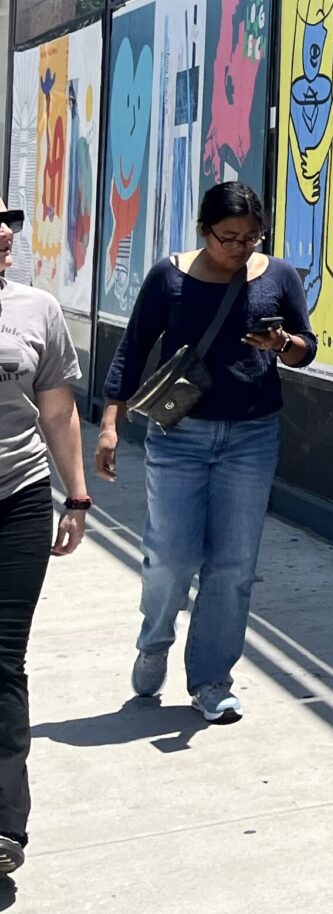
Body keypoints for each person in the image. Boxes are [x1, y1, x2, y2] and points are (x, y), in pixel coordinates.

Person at [97, 182, 316, 725]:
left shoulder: (279, 276)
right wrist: (108, 422)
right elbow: (135, 345)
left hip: (252, 436)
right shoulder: (170, 276)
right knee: (170, 556)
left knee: (234, 565)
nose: (239, 248)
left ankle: (212, 679)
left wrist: (282, 345)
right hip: (180, 436)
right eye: (227, 238)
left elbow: (307, 348)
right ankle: (154, 641)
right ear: (203, 231)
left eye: (250, 238)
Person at [0, 198, 91, 878]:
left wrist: (77, 495)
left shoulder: (37, 311)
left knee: (3, 660)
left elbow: (57, 411)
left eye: (10, 219)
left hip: (19, 498)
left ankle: (5, 825)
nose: (4, 232)